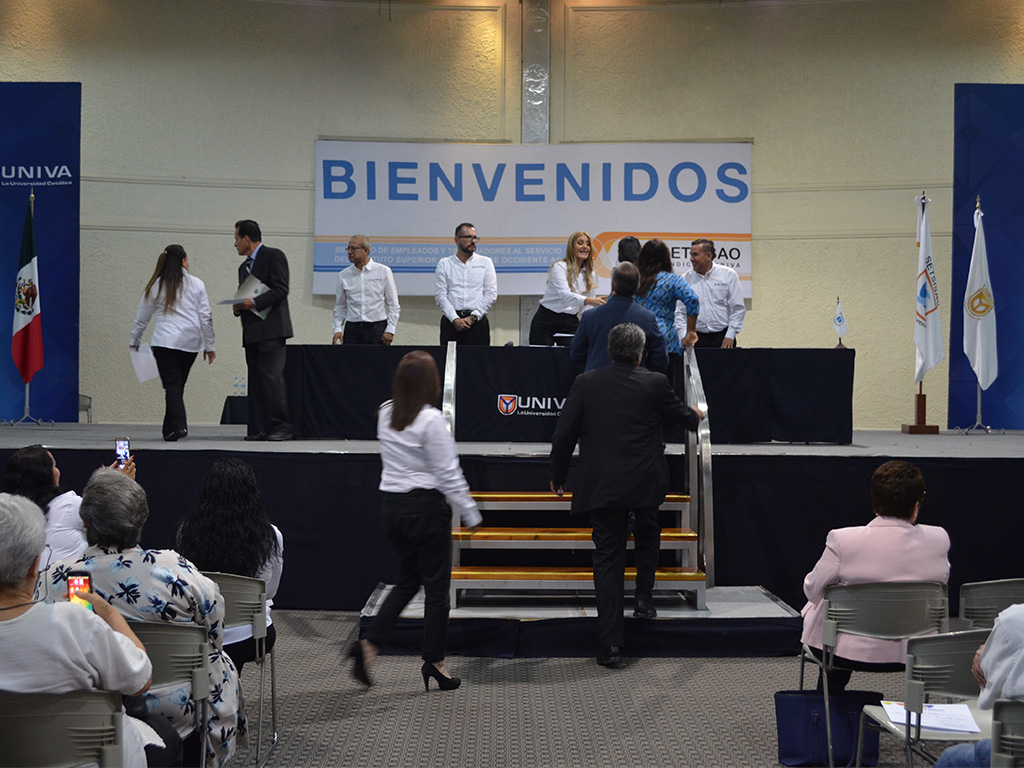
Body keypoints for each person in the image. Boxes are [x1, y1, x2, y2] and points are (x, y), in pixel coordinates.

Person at [36, 468, 245, 768]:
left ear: (84, 522)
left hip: (87, 711)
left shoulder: (53, 579)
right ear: (141, 519)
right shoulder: (178, 572)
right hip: (183, 706)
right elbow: (215, 631)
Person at [550, 323, 703, 668]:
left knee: (608, 561)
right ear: (639, 353)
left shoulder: (585, 384)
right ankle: (644, 600)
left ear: (609, 349)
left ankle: (611, 645)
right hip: (644, 482)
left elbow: (563, 436)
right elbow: (684, 419)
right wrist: (696, 415)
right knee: (649, 533)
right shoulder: (655, 382)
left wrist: (558, 476)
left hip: (602, 485)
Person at [0, 492, 183, 768]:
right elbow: (140, 678)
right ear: (34, 565)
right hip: (95, 760)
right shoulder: (74, 622)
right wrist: (108, 613)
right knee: (165, 735)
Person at [349, 351, 482, 691]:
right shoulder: (431, 420)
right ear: (430, 383)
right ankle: (435, 662)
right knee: (437, 591)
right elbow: (448, 471)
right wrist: (470, 511)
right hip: (426, 511)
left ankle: (369, 645)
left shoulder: (384, 413)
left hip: (392, 508)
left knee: (407, 582)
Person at [800, 460, 950, 691]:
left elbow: (812, 590)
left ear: (874, 501)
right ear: (916, 505)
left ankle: (827, 712)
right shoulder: (938, 539)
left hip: (844, 653)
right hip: (915, 650)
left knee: (825, 612)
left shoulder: (843, 540)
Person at [175, 458, 284, 674]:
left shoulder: (185, 531)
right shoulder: (270, 535)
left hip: (199, 634)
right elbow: (270, 591)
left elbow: (182, 585)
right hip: (251, 637)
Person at [130, 244, 216, 441]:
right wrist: (209, 345)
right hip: (190, 343)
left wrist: (135, 340)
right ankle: (169, 428)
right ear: (184, 261)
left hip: (164, 342)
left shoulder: (156, 285)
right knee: (177, 385)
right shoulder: (197, 284)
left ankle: (177, 427)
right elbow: (206, 317)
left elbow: (142, 317)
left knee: (173, 385)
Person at [2, 444, 136, 562]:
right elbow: (111, 512)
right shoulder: (68, 505)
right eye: (54, 466)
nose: (57, 470)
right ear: (45, 475)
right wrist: (120, 482)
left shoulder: (7, 510)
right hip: (69, 585)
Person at [934, 603, 1024, 767]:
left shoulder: (1014, 620)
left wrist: (986, 658)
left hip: (1014, 756)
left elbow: (990, 695)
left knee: (952, 758)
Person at [232, 219, 293, 441]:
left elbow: (281, 289)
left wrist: (253, 303)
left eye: (237, 238)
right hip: (252, 333)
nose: (235, 243)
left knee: (271, 378)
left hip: (272, 330)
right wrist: (239, 307)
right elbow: (247, 296)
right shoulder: (243, 267)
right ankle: (267, 426)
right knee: (258, 382)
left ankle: (282, 427)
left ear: (247, 238)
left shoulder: (273, 256)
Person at [570, 261, 668, 372]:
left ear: (612, 285)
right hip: (635, 384)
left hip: (596, 384)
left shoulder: (589, 316)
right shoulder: (648, 318)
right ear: (638, 286)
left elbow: (576, 354)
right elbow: (660, 359)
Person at [635, 239, 700, 378]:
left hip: (636, 339)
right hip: (666, 340)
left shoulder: (634, 279)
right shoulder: (673, 280)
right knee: (665, 388)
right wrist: (691, 331)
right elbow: (692, 299)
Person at [529, 231, 606, 346]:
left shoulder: (591, 275)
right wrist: (588, 300)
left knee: (571, 359)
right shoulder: (559, 267)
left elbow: (587, 308)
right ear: (571, 247)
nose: (585, 247)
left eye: (588, 244)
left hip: (570, 322)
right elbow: (565, 294)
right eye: (580, 243)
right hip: (546, 320)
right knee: (541, 361)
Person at [434, 222, 497, 346]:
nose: (473, 241)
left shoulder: (485, 262)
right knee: (450, 362)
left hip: (477, 322)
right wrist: (455, 318)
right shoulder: (445, 263)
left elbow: (491, 294)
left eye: (475, 238)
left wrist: (473, 317)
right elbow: (440, 295)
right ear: (456, 240)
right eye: (468, 237)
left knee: (478, 363)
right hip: (451, 322)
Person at [331, 235, 400, 346]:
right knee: (350, 362)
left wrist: (391, 329)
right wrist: (337, 329)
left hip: (377, 329)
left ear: (366, 250)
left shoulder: (383, 271)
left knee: (376, 362)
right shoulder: (344, 275)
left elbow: (393, 304)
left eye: (353, 248)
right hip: (352, 329)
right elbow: (340, 306)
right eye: (348, 248)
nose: (349, 252)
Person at [677, 238, 745, 348]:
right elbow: (680, 312)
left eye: (695, 255)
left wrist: (730, 335)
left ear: (708, 256)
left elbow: (737, 308)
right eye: (691, 255)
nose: (691, 259)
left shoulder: (728, 275)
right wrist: (683, 336)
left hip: (723, 338)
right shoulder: (685, 279)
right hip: (695, 340)